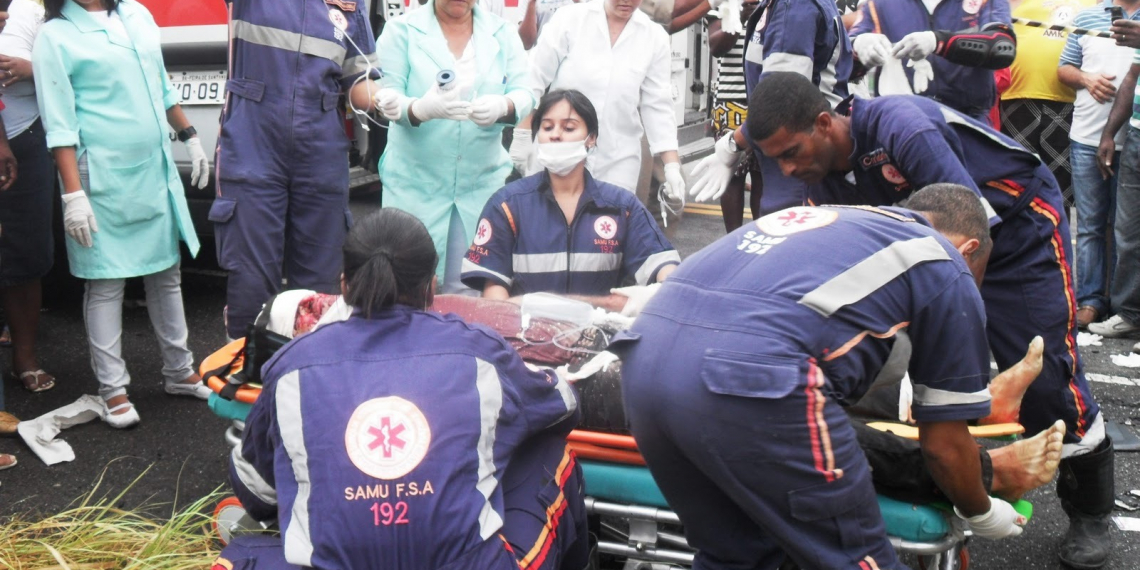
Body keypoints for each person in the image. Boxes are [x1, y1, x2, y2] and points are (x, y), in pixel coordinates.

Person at [748, 72, 1115, 569]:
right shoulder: (821, 178)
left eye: (791, 152)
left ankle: (1090, 511)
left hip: (1012, 229)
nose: (788, 170)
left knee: (1048, 374)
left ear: (823, 123)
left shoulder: (902, 128)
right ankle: (960, 453)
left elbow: (970, 233)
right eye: (776, 160)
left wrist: (953, 338)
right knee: (886, 371)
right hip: (937, 255)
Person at [614, 186, 1024, 570]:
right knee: (859, 558)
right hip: (750, 377)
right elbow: (944, 447)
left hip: (642, 362)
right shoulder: (945, 262)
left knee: (735, 555)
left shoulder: (833, 218)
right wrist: (982, 511)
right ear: (969, 249)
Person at [218, 208, 589, 570]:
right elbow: (563, 404)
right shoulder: (479, 352)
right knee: (553, 451)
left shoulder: (291, 367)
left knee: (241, 552)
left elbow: (255, 491)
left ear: (344, 285)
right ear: (432, 287)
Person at [33, 0, 212, 428]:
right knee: (107, 280)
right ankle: (113, 389)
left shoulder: (136, 14)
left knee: (167, 272)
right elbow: (59, 125)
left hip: (153, 169)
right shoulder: (55, 37)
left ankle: (180, 371)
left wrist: (189, 135)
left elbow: (160, 85)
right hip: (100, 178)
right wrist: (73, 195)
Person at [211, 0, 380, 341]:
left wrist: (396, 101)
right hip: (252, 142)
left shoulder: (350, 2)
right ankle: (248, 377)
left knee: (320, 284)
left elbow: (360, 80)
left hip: (321, 149)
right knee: (251, 278)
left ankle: (310, 379)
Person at [461, 90, 680, 309]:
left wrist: (661, 290)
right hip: (525, 336)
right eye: (547, 127)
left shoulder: (621, 207)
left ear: (591, 138)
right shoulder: (507, 205)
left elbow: (663, 266)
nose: (555, 135)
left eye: (568, 128)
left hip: (600, 335)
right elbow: (493, 292)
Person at [374, 0, 534, 294]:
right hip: (416, 187)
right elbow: (386, 93)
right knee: (407, 291)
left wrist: (504, 105)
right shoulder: (402, 32)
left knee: (474, 292)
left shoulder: (502, 33)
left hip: (480, 187)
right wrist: (418, 109)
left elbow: (526, 91)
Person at [687, 0, 852, 217]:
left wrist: (732, 144)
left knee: (789, 232)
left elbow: (783, 102)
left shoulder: (793, 6)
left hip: (800, 161)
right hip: (797, 161)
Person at [522, 0, 685, 203]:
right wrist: (523, 135)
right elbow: (533, 78)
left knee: (610, 226)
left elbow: (658, 104)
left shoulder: (653, 36)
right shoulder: (570, 19)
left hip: (618, 157)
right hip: (558, 149)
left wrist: (671, 166)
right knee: (550, 224)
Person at [1058, 0, 1140, 329]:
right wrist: (1087, 78)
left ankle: (1123, 307)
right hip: (1087, 136)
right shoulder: (1088, 16)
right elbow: (1064, 69)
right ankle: (1091, 301)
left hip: (1130, 137)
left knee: (1127, 230)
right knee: (1090, 225)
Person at [0, 0, 53, 394]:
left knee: (27, 249)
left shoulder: (32, 8)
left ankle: (24, 355)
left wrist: (33, 69)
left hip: (27, 132)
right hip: (7, 135)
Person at [1000, 0, 1096, 218]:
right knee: (1013, 183)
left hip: (1067, 102)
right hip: (1015, 99)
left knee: (1059, 188)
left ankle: (1057, 244)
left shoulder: (1093, 2)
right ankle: (1018, 247)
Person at [848, 0, 1016, 121]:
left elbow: (1002, 47)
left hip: (967, 120)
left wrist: (939, 42)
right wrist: (857, 46)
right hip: (903, 124)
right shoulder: (879, 4)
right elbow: (841, 66)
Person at [708, 0, 763, 232]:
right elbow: (716, 47)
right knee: (732, 175)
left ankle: (763, 239)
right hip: (732, 100)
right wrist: (738, 18)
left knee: (764, 176)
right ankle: (734, 242)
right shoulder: (722, 2)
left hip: (767, 96)